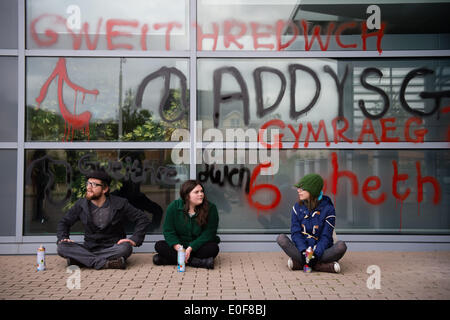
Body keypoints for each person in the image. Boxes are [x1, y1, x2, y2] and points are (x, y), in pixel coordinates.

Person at [56, 170, 151, 269]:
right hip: (89, 248)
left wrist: (134, 239)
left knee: (125, 248)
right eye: (88, 183)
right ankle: (105, 263)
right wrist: (63, 237)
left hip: (113, 247)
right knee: (62, 247)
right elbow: (64, 222)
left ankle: (82, 260)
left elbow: (142, 218)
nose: (88, 187)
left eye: (93, 184)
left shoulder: (120, 203)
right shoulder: (81, 204)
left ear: (105, 189)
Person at [277, 173, 347, 273]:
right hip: (303, 250)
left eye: (302, 189)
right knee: (281, 239)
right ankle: (320, 266)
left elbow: (326, 237)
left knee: (341, 246)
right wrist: (304, 252)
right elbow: (296, 234)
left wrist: (315, 255)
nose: (298, 191)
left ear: (312, 190)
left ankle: (303, 264)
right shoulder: (297, 207)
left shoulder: (328, 209)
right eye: (298, 188)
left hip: (322, 251)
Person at [153, 180, 220, 269]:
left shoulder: (211, 208)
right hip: (180, 246)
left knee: (213, 248)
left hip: (198, 246)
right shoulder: (174, 207)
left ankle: (166, 260)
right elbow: (168, 231)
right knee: (159, 245)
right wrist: (179, 248)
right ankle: (199, 262)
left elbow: (209, 233)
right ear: (187, 195)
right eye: (196, 192)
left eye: (202, 191)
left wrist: (191, 248)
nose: (201, 194)